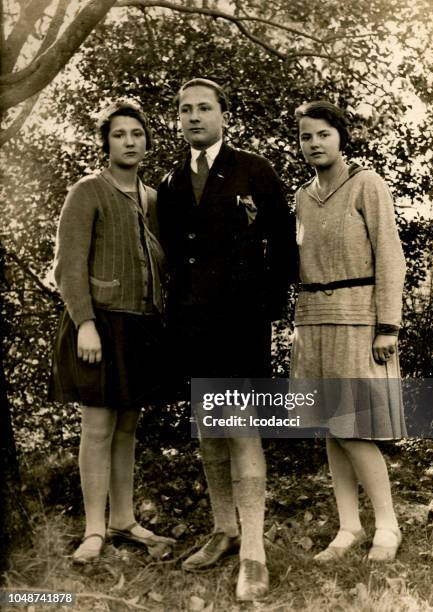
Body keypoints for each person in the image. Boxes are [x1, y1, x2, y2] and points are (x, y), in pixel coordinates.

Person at [157, 78, 297, 601]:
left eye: (204, 108)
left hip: (240, 326)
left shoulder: (254, 169)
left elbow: (284, 246)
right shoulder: (171, 181)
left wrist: (265, 308)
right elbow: (172, 256)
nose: (194, 117)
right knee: (209, 431)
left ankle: (254, 553)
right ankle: (225, 529)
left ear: (223, 114)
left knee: (240, 431)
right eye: (185, 110)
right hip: (193, 326)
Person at [49, 99, 175, 564]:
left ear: (147, 141)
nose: (129, 142)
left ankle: (124, 519)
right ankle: (94, 530)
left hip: (140, 327)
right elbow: (67, 266)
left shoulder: (153, 199)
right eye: (120, 134)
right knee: (98, 428)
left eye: (137, 134)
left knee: (127, 427)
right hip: (99, 325)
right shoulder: (88, 190)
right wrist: (85, 323)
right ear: (106, 144)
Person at [290, 100, 407, 563]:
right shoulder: (302, 197)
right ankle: (348, 527)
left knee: (354, 427)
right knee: (330, 427)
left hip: (360, 319)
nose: (314, 143)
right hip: (312, 320)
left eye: (322, 134)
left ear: (340, 137)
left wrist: (388, 324)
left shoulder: (367, 183)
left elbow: (390, 256)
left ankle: (388, 527)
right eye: (305, 136)